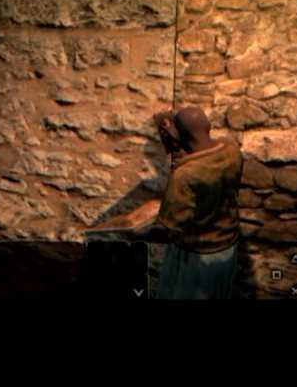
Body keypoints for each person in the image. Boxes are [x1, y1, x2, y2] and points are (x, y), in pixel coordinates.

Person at [87, 106, 243, 299]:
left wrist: (136, 233)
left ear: (180, 135)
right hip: (227, 245)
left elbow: (168, 231)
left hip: (197, 254)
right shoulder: (231, 150)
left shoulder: (185, 176)